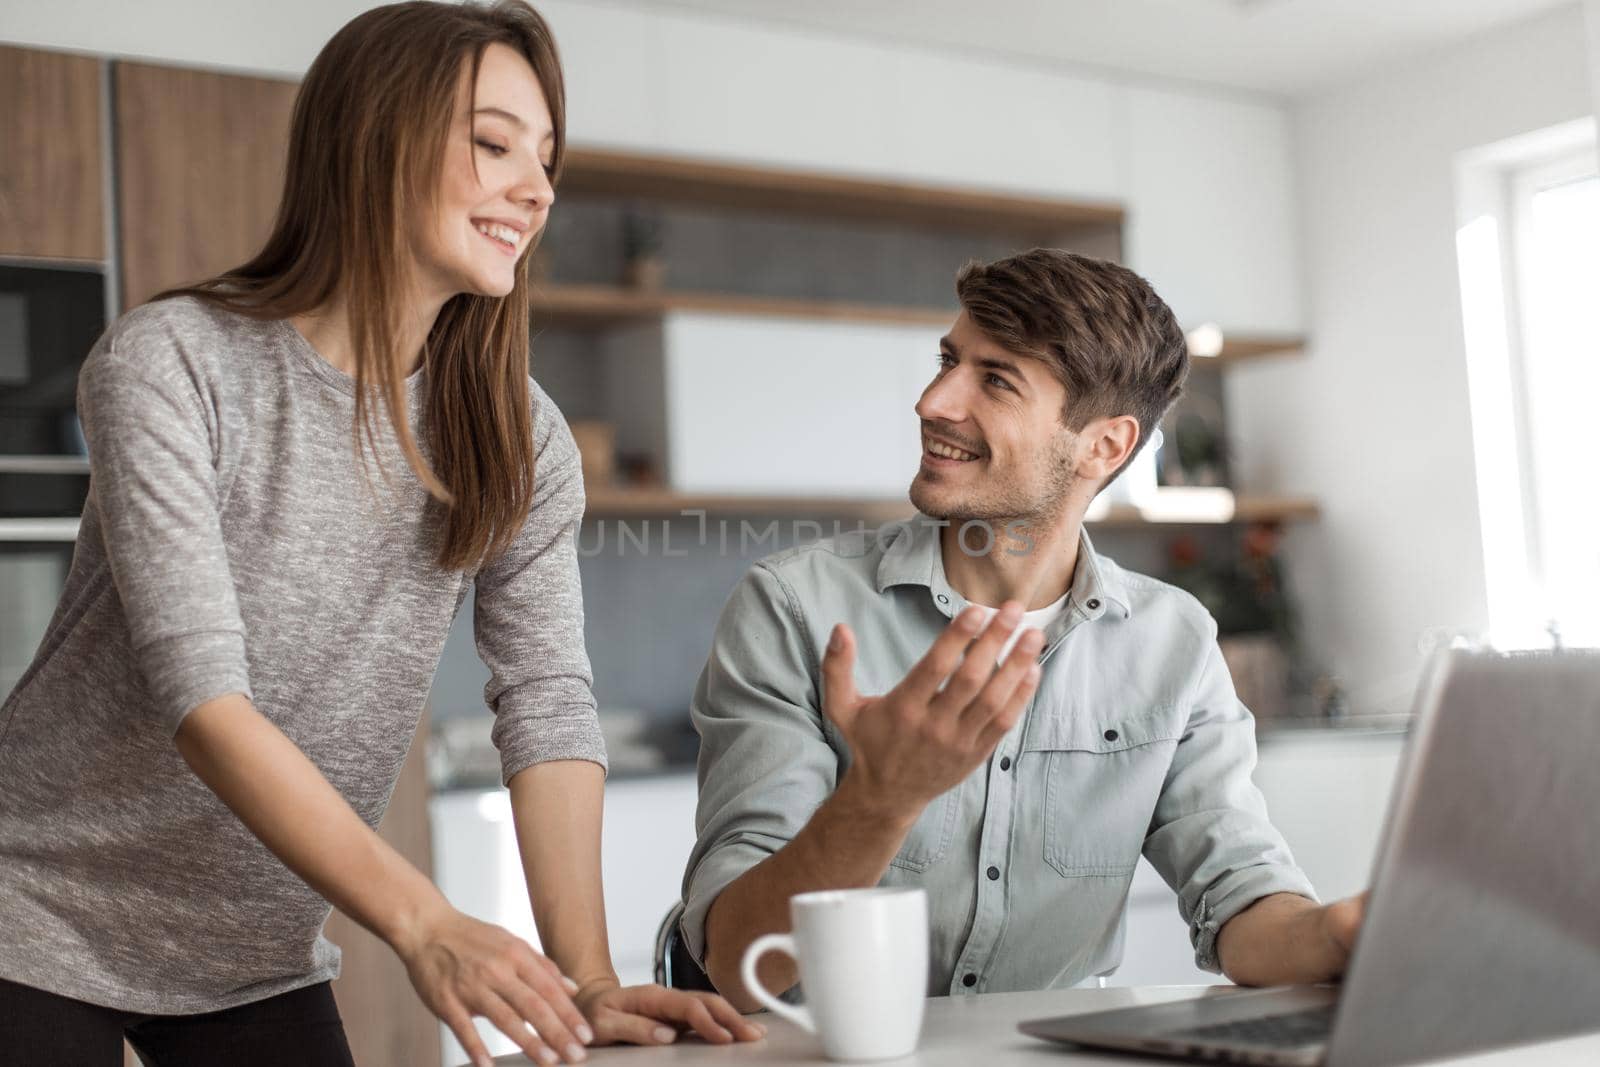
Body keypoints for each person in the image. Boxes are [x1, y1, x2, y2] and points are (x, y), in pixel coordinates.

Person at [0, 3, 760, 1065]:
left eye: (546, 159)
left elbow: (545, 699)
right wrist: (424, 920)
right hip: (34, 916)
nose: (537, 191)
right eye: (492, 143)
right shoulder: (171, 363)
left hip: (254, 952)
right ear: (374, 141)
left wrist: (586, 980)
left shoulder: (516, 434)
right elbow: (205, 700)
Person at [680, 248, 1367, 1009]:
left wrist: (1339, 932)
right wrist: (879, 798)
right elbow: (732, 960)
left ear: (1104, 446)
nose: (935, 401)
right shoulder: (794, 609)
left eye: (995, 380)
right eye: (949, 361)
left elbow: (1241, 898)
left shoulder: (1173, 642)